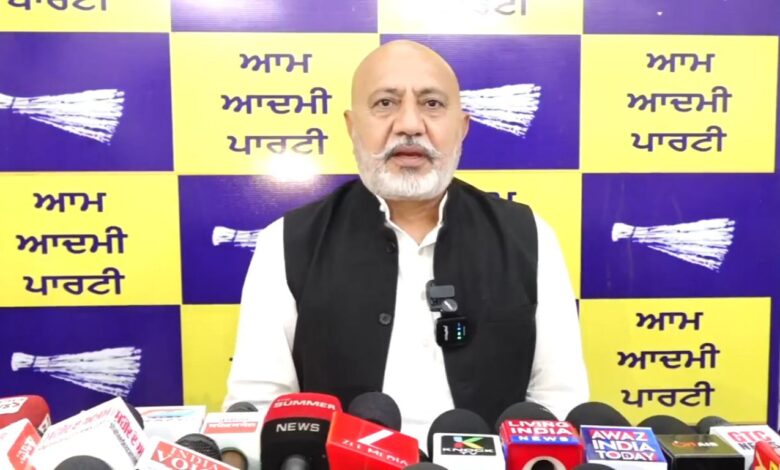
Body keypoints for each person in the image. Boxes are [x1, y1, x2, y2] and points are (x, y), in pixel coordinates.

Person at [224, 40, 588, 444]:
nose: (410, 125)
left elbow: (559, 401)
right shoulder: (286, 242)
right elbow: (260, 408)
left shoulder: (529, 236)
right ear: (352, 126)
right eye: (385, 103)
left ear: (462, 127)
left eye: (432, 104)